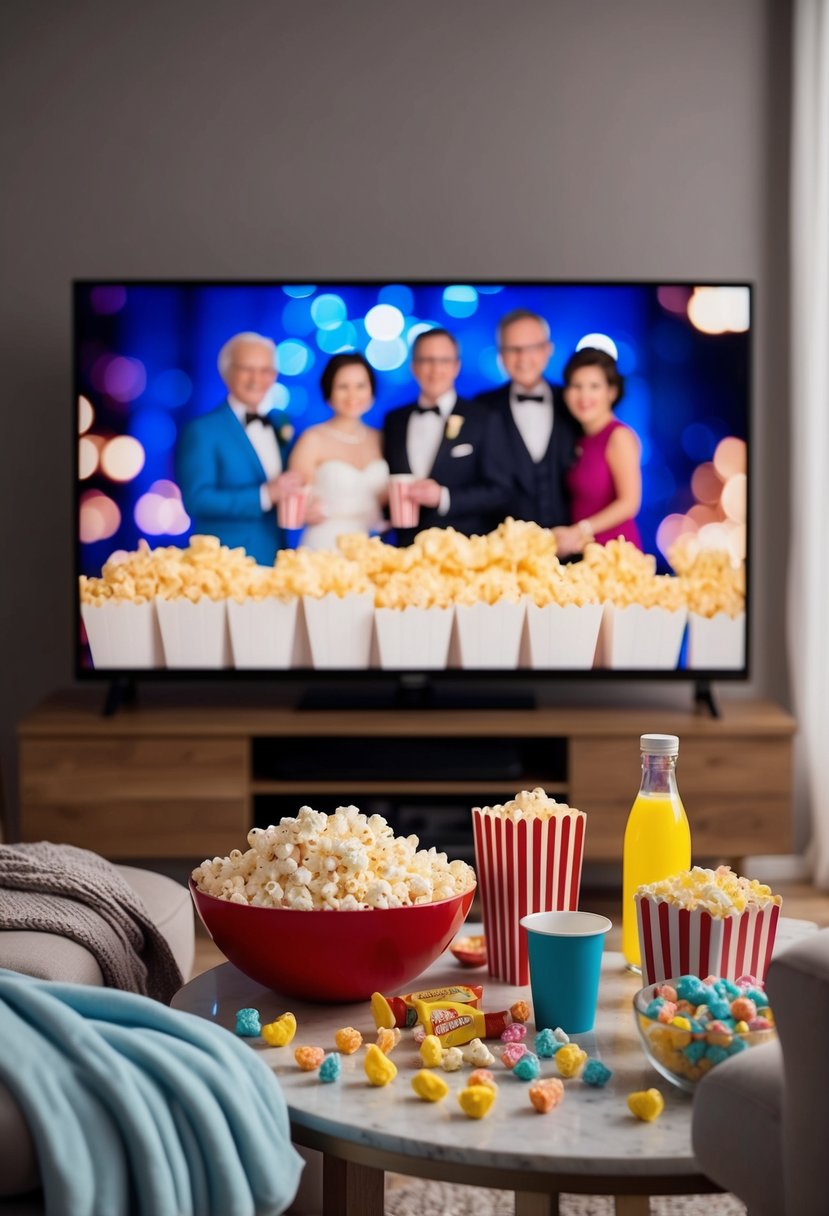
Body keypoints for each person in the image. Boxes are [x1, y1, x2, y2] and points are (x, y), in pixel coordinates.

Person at [176, 332, 306, 566]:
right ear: (227, 373)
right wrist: (265, 495)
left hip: (277, 559)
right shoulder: (202, 430)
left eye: (266, 370)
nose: (257, 379)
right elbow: (197, 500)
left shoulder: (281, 422)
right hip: (223, 565)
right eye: (247, 368)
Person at [382, 328, 506, 545]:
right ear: (414, 367)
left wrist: (443, 497)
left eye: (444, 360)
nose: (435, 369)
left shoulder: (483, 418)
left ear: (456, 366)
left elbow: (499, 491)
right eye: (426, 360)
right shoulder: (394, 420)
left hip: (464, 551)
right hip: (405, 551)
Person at [476, 309, 580, 528]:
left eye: (532, 348)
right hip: (502, 551)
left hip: (573, 551)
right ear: (500, 355)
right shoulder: (481, 408)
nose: (523, 358)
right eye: (513, 349)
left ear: (547, 350)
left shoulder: (575, 402)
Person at [288, 353, 389, 551]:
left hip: (371, 547)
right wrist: (305, 512)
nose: (353, 395)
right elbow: (293, 504)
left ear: (371, 390)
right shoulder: (312, 439)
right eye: (343, 387)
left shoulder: (381, 439)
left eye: (361, 386)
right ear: (329, 392)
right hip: (325, 544)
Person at [552, 347, 643, 556]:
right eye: (576, 386)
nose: (584, 396)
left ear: (611, 391)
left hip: (617, 558)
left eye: (594, 386)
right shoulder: (578, 439)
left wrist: (579, 531)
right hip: (585, 557)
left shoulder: (619, 436)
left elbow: (630, 502)